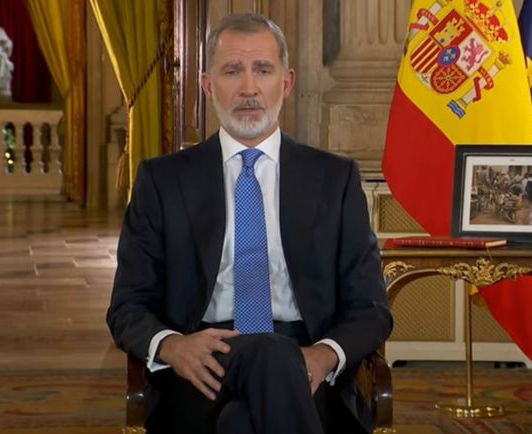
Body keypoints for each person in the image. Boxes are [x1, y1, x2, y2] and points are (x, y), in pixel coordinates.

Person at [108, 13, 392, 434]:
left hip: (305, 361)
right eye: (232, 71)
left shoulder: (335, 179)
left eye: (262, 70)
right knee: (268, 364)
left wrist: (325, 355)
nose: (248, 88)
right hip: (199, 366)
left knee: (241, 420)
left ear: (287, 83)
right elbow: (127, 305)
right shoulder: (162, 180)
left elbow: (371, 308)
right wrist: (172, 346)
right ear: (207, 85)